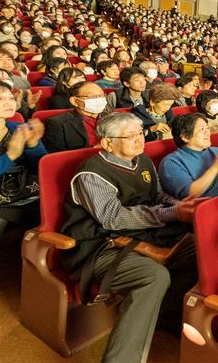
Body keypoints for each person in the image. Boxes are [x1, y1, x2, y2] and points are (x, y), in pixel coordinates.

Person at [60, 113, 201, 362]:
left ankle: (163, 315)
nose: (140, 139)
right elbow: (114, 219)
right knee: (153, 276)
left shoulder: (142, 161)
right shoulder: (91, 174)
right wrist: (172, 213)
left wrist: (181, 206)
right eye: (131, 136)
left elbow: (158, 196)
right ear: (107, 143)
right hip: (100, 246)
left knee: (201, 251)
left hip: (146, 236)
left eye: (140, 133)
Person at [0, 79, 46, 314]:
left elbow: (41, 167)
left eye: (10, 97)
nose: (8, 102)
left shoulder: (17, 128)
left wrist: (33, 144)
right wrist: (10, 156)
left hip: (19, 192)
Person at [158, 113, 218, 198]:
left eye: (207, 128)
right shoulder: (171, 162)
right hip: (204, 204)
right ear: (185, 137)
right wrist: (215, 168)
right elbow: (189, 195)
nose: (208, 132)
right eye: (201, 129)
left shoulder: (217, 151)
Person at [43, 82, 108, 152]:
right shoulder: (58, 123)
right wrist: (93, 150)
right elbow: (58, 156)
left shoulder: (112, 117)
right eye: (92, 96)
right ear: (74, 101)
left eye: (101, 95)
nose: (99, 99)